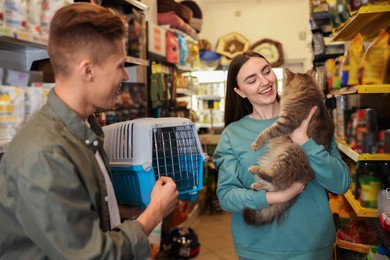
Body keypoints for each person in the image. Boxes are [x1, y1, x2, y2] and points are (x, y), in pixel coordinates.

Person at [0, 3, 178, 259]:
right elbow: (91, 255)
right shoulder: (45, 152)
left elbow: (78, 218)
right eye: (119, 65)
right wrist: (155, 213)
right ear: (88, 70)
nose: (125, 76)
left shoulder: (85, 131)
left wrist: (123, 212)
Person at [213, 51, 350, 260]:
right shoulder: (233, 134)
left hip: (312, 246)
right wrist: (275, 197)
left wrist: (303, 140)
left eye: (266, 71)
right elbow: (226, 196)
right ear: (240, 91)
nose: (264, 81)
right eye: (251, 80)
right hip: (257, 250)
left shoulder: (312, 114)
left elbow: (341, 183)